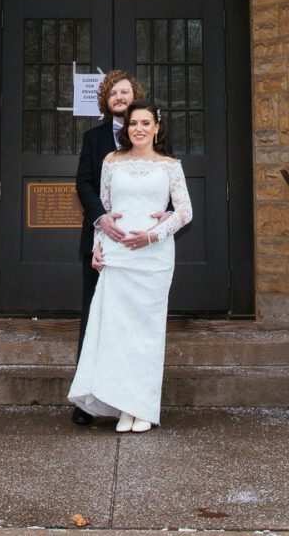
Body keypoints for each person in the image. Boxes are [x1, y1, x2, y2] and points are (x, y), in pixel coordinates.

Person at [66, 99, 192, 432]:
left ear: (156, 127)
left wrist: (153, 236)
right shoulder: (111, 161)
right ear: (126, 128)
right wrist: (97, 246)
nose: (139, 129)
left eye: (145, 123)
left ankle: (143, 408)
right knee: (117, 332)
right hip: (117, 254)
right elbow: (106, 210)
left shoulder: (170, 165)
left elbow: (185, 211)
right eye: (133, 123)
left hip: (153, 257)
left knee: (146, 333)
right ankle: (123, 406)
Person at [70, 70, 138, 427]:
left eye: (124, 91)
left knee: (130, 321)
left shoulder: (151, 133)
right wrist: (101, 218)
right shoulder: (93, 138)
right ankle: (87, 401)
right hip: (99, 241)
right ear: (106, 101)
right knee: (94, 320)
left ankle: (129, 400)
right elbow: (83, 183)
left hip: (138, 243)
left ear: (134, 95)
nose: (119, 97)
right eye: (113, 93)